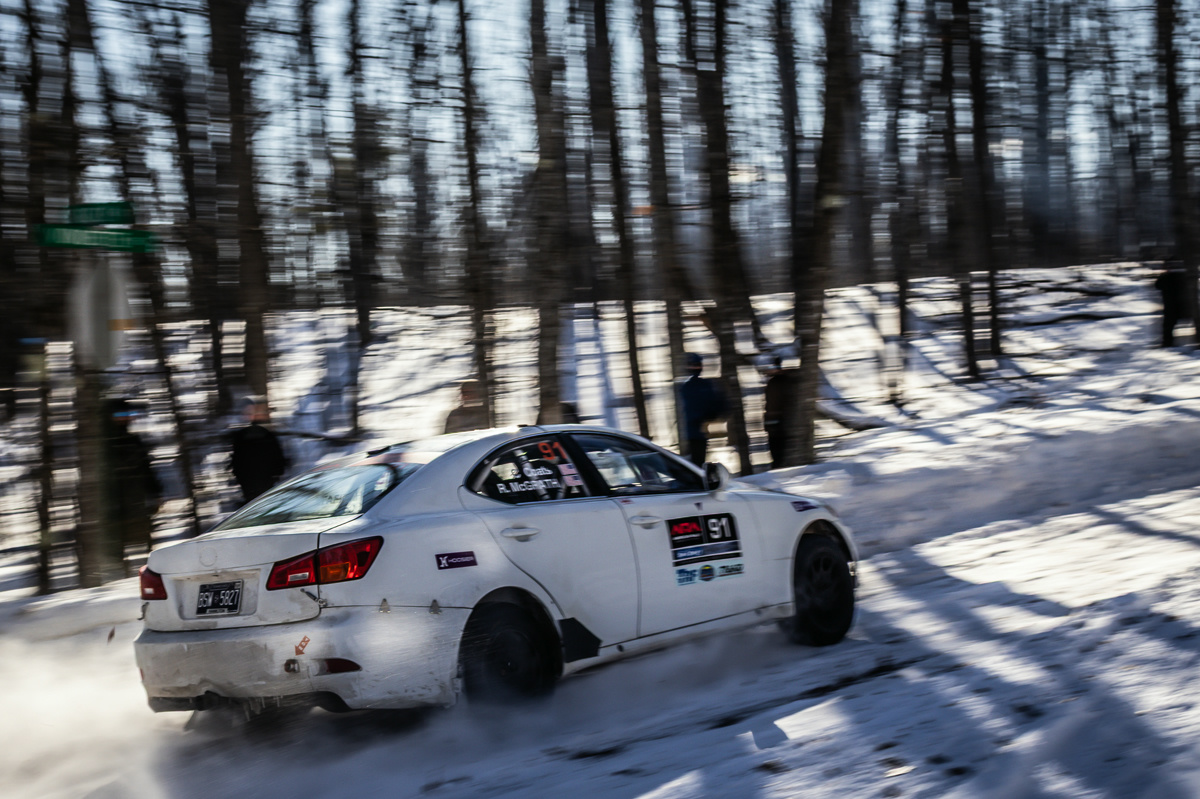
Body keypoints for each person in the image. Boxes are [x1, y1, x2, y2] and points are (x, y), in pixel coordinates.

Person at [102, 399, 162, 574]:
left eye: (126, 415)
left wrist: (156, 491)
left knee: (142, 535)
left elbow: (146, 468)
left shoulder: (134, 440)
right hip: (113, 501)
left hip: (135, 498)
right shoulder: (103, 445)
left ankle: (148, 570)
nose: (124, 419)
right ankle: (118, 573)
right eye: (119, 415)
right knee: (116, 541)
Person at [230, 396, 288, 505]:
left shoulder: (263, 434)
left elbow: (277, 457)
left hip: (262, 483)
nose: (249, 414)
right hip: (253, 484)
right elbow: (237, 461)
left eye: (251, 411)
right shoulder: (242, 435)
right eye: (246, 411)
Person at [677, 352, 726, 466]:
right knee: (696, 460)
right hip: (694, 430)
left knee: (699, 459)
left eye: (697, 365)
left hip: (701, 430)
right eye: (693, 365)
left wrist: (712, 415)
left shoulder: (704, 385)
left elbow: (716, 403)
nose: (695, 367)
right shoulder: (689, 386)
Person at [762, 355, 796, 470]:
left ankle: (778, 467)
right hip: (776, 421)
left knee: (778, 449)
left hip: (780, 421)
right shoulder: (775, 383)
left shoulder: (781, 382)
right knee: (777, 449)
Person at [1154, 261, 1191, 347]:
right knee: (1169, 326)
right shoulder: (1181, 277)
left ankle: (1168, 343)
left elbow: (1157, 285)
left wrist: (1163, 275)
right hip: (1181, 305)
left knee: (1168, 326)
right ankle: (1169, 343)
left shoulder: (1166, 278)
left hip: (1170, 306)